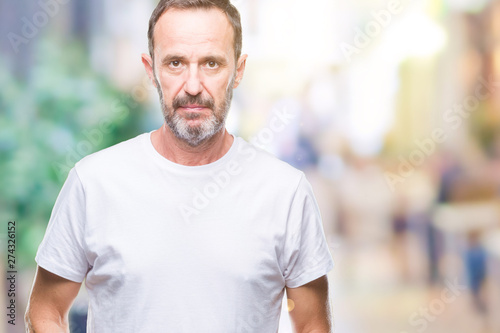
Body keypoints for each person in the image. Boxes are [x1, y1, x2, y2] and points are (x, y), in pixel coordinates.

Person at [24, 0, 334, 332]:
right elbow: (44, 311)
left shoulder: (285, 192)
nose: (193, 86)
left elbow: (312, 325)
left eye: (212, 63)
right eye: (175, 63)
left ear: (239, 70)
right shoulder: (94, 182)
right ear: (150, 70)